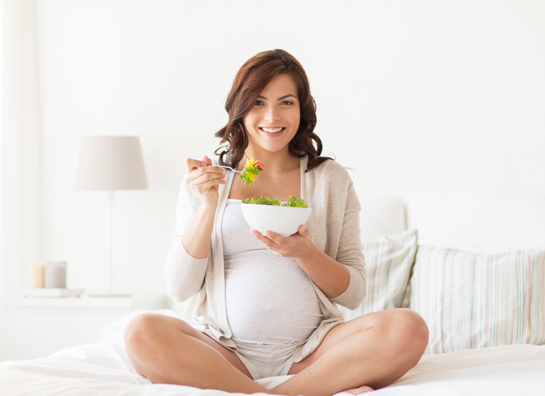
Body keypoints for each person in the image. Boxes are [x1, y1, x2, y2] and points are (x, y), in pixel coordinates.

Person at [124, 49, 429, 395]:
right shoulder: (206, 180)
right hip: (224, 352)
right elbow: (180, 288)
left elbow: (354, 293)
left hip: (314, 352)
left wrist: (304, 252)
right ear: (239, 109)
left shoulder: (329, 179)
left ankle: (278, 392)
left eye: (286, 102)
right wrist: (209, 206)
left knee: (409, 327)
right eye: (258, 102)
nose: (272, 116)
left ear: (302, 109)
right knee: (140, 332)